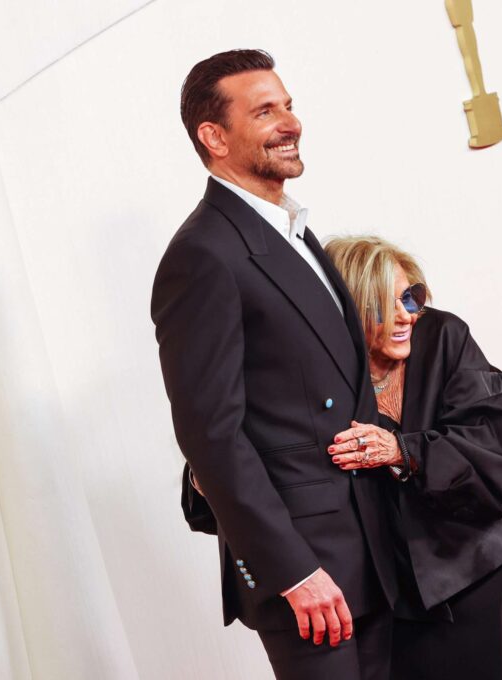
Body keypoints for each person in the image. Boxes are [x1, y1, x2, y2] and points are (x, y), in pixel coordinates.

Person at [150, 50, 397, 680]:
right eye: (265, 111)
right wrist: (291, 570)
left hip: (371, 552)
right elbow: (211, 437)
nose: (291, 122)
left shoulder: (294, 232)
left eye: (288, 105)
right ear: (214, 136)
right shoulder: (202, 255)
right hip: (309, 579)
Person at [322, 236, 502, 679]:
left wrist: (403, 452)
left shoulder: (445, 336)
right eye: (383, 307)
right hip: (411, 613)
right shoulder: (330, 382)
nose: (406, 315)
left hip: (494, 570)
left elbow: (496, 436)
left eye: (412, 297)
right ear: (349, 312)